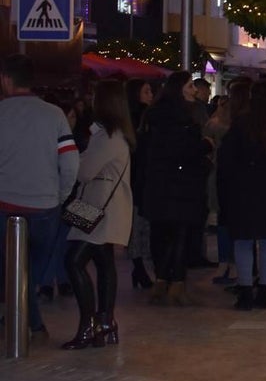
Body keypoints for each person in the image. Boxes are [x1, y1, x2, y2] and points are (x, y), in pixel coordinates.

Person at [0, 54, 79, 344]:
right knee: (30, 267)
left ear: (6, 79)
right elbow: (70, 163)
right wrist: (59, 195)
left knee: (11, 266)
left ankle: (25, 319)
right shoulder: (55, 115)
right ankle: (29, 321)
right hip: (45, 207)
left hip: (4, 204)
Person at [61, 80, 134, 349]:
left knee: (74, 261)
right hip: (105, 210)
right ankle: (105, 324)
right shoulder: (116, 135)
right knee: (104, 263)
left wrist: (74, 158)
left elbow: (84, 172)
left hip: (97, 212)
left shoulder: (107, 136)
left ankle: (88, 326)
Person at [135, 71, 210, 306]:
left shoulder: (153, 116)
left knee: (161, 234)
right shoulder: (182, 119)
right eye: (189, 86)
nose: (194, 91)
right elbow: (186, 151)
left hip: (158, 185)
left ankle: (161, 280)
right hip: (181, 185)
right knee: (179, 234)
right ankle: (176, 283)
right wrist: (204, 148)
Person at [218, 80, 266, 310]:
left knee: (244, 240)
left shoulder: (242, 123)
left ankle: (245, 290)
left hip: (245, 188)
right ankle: (265, 290)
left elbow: (227, 160)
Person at [203, 78, 251, 286]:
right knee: (228, 221)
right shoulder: (229, 118)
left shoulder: (234, 120)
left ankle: (230, 264)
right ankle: (232, 264)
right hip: (229, 176)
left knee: (227, 220)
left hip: (228, 176)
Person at [125, 78, 155, 290]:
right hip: (136, 180)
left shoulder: (143, 118)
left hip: (138, 180)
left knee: (140, 225)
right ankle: (139, 267)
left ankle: (139, 267)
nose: (150, 95)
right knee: (138, 225)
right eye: (146, 91)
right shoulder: (139, 119)